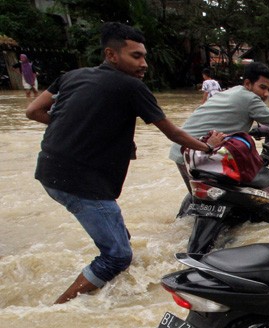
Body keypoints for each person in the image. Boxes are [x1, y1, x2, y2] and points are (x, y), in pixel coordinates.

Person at [25, 22, 225, 304]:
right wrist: (208, 146)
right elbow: (172, 133)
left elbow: (34, 110)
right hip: (82, 182)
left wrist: (76, 129)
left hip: (48, 172)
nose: (144, 64)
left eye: (144, 56)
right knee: (118, 255)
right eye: (136, 56)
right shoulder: (131, 86)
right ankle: (58, 308)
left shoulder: (71, 76)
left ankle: (109, 290)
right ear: (111, 54)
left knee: (119, 234)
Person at [169, 62, 269, 192]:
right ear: (247, 84)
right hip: (195, 152)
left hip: (182, 149)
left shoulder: (234, 91)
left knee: (200, 199)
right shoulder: (250, 98)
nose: (266, 94)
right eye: (262, 87)